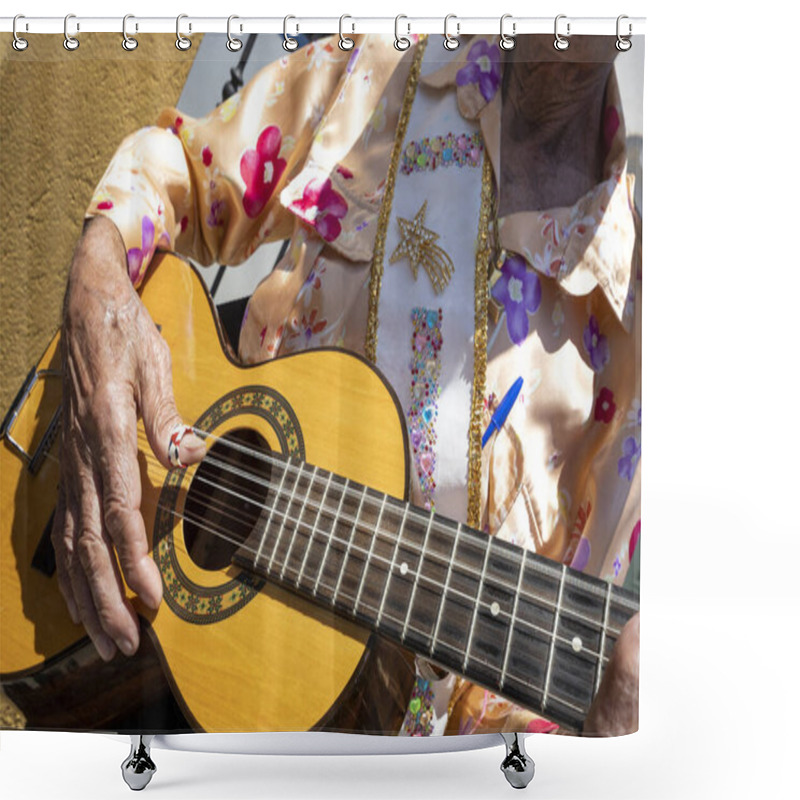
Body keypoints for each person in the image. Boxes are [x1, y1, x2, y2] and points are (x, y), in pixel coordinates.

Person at [55, 32, 640, 737]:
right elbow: (178, 165)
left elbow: (512, 705)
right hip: (151, 646)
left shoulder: (635, 325)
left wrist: (599, 751)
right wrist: (99, 284)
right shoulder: (378, 76)